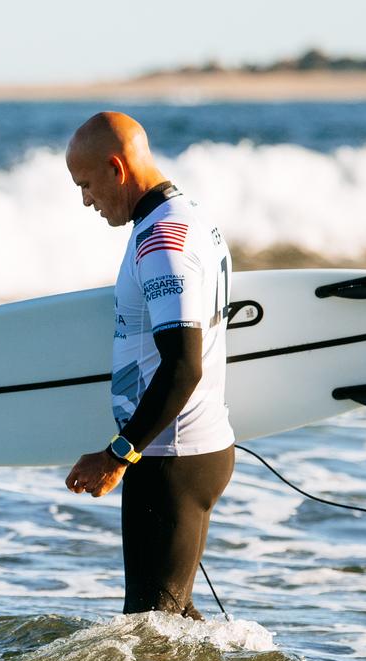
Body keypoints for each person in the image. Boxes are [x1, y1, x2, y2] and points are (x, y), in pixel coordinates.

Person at [63, 111, 234, 620]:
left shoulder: (162, 241)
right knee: (173, 623)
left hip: (170, 456)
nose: (86, 200)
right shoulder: (195, 219)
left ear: (117, 168)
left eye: (87, 184)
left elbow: (184, 365)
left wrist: (119, 454)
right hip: (186, 451)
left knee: (149, 632)